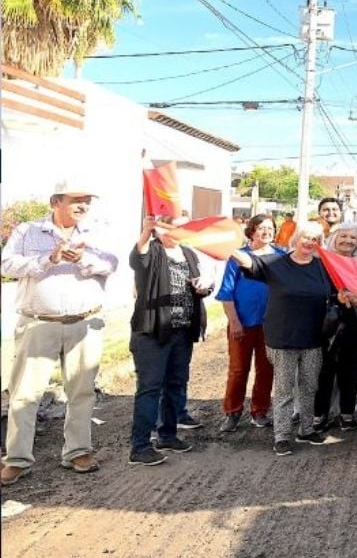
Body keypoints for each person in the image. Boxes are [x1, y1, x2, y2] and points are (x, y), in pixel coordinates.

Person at [0, 180, 118, 484]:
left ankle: (78, 452)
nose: (83, 205)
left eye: (87, 200)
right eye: (76, 200)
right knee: (25, 394)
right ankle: (17, 459)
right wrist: (49, 259)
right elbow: (6, 264)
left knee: (81, 392)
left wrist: (85, 259)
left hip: (84, 323)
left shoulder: (96, 232)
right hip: (39, 323)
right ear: (56, 202)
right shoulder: (27, 231)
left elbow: (111, 263)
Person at [229, 220, 337, 456]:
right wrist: (227, 247)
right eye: (306, 237)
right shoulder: (277, 263)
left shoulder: (323, 267)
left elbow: (337, 291)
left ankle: (306, 430)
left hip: (313, 338)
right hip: (283, 338)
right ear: (295, 238)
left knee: (309, 387)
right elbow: (249, 262)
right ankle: (282, 435)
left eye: (315, 239)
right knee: (284, 390)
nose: (310, 242)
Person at [126, 215, 213, 465]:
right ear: (161, 228)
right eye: (173, 225)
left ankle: (168, 435)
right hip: (153, 332)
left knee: (176, 384)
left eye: (183, 226)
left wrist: (203, 288)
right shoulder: (152, 250)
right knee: (150, 387)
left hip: (182, 331)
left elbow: (202, 286)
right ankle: (140, 446)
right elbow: (137, 259)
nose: (179, 230)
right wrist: (146, 231)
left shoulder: (188, 253)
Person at [216, 214, 281, 433]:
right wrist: (234, 321)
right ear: (251, 231)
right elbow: (226, 293)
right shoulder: (238, 257)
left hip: (271, 325)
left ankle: (259, 411)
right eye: (261, 228)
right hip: (242, 323)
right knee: (238, 370)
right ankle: (232, 412)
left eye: (270, 228)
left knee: (266, 369)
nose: (266, 232)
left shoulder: (281, 257)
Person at [313, 222, 357, 432]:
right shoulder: (321, 263)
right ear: (334, 238)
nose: (348, 241)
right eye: (343, 236)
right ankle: (319, 414)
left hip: (353, 322)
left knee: (351, 368)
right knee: (324, 369)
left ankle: (347, 412)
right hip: (325, 321)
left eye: (353, 237)